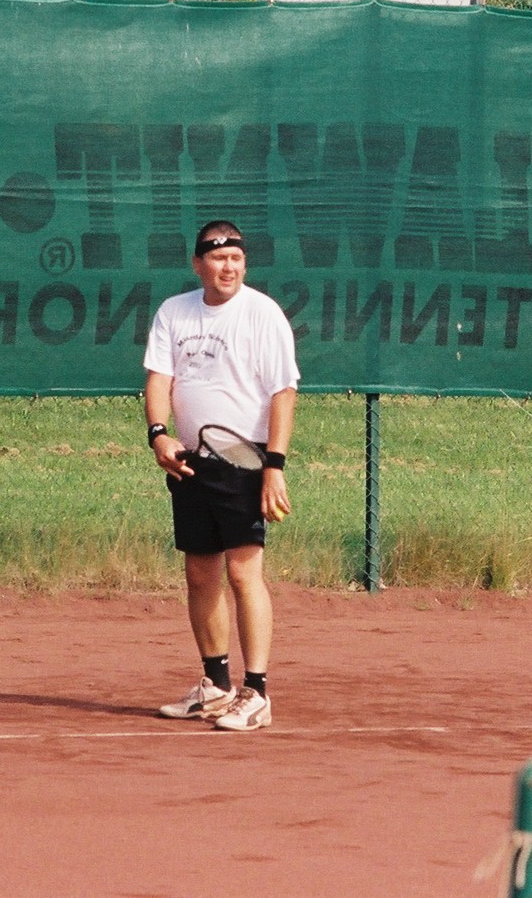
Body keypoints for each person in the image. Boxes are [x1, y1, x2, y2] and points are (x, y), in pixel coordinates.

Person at [143, 219, 298, 732]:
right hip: (189, 461)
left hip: (244, 462)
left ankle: (257, 693)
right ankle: (215, 686)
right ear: (198, 264)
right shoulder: (174, 312)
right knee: (200, 574)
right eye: (217, 258)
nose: (227, 267)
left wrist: (273, 466)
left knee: (242, 574)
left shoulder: (263, 314)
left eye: (235, 259)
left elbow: (283, 393)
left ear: (244, 264)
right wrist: (159, 436)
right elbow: (159, 379)